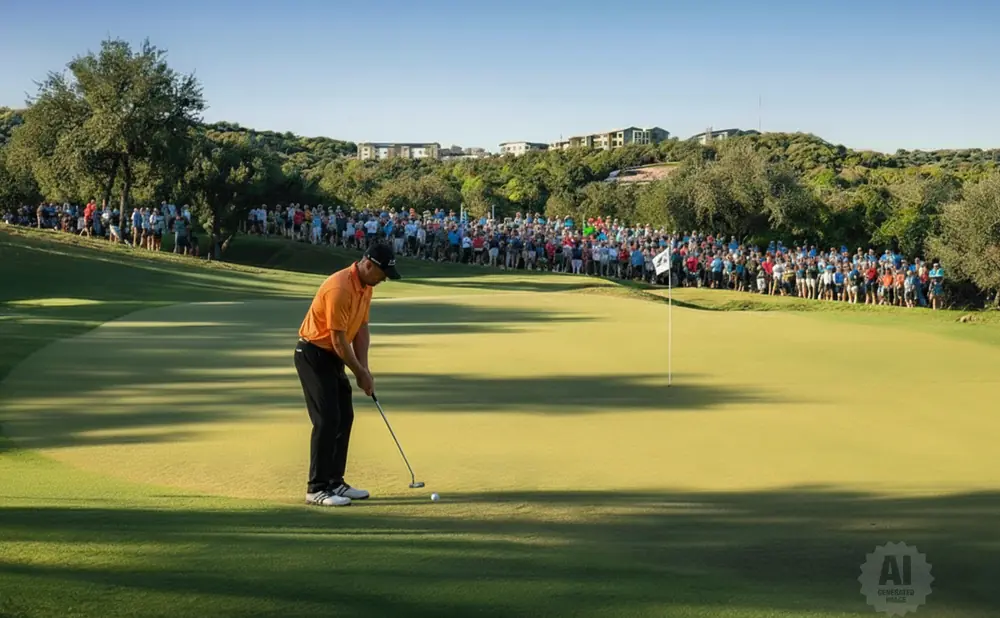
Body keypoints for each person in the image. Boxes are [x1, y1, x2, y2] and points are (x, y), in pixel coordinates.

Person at [294, 242, 402, 506]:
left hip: (332, 356)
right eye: (383, 274)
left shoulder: (366, 286)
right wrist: (358, 373)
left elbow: (361, 329)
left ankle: (335, 482)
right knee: (327, 419)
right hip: (313, 354)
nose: (383, 279)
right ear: (368, 265)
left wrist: (364, 370)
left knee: (345, 417)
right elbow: (339, 340)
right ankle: (316, 488)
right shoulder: (340, 287)